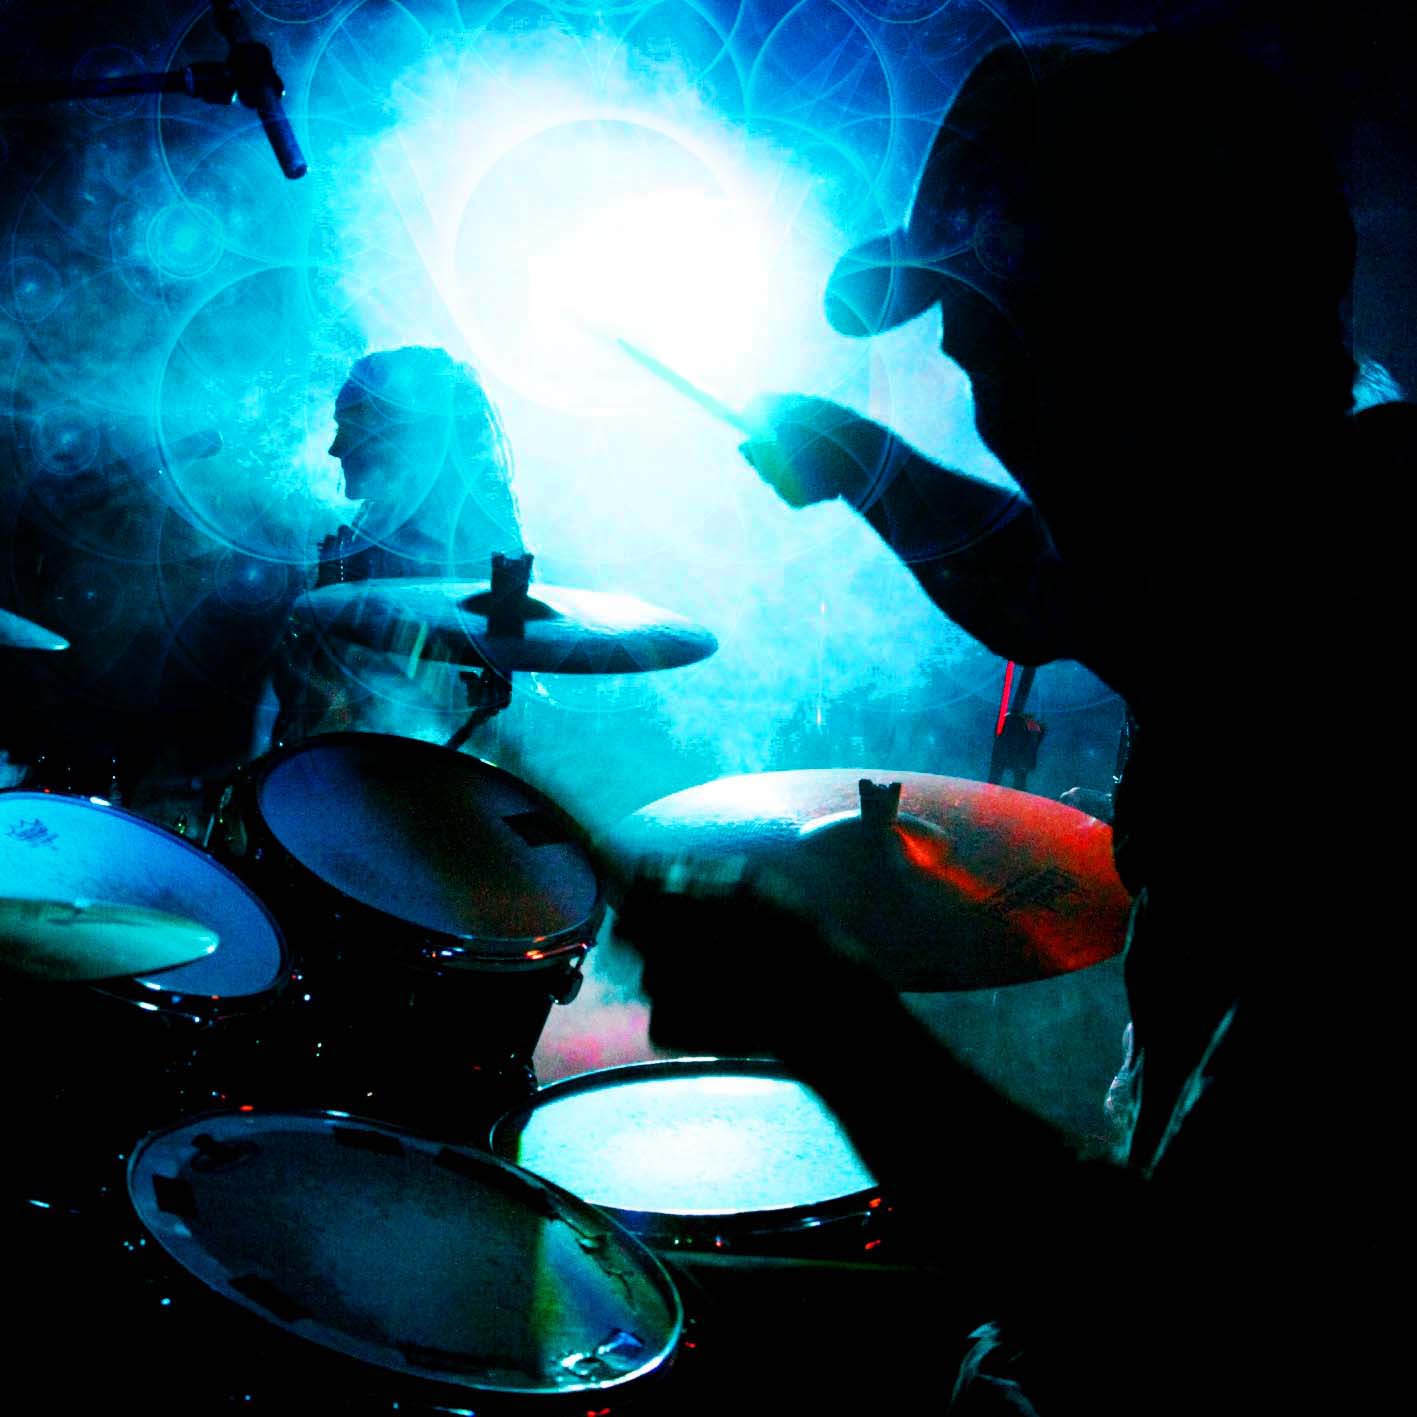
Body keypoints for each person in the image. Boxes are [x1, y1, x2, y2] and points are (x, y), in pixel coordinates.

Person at [614, 29, 1402, 1414]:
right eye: (978, 365)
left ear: (1170, 341)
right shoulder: (1276, 552)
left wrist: (822, 1015)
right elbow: (1054, 594)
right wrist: (865, 466)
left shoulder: (1366, 697)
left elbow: (1185, 1326)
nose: (1002, 431)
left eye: (1020, 368)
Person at [272, 345, 525, 744]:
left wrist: (333, 619)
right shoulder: (378, 525)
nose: (335, 448)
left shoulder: (455, 555)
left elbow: (425, 701)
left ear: (396, 441)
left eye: (348, 429)